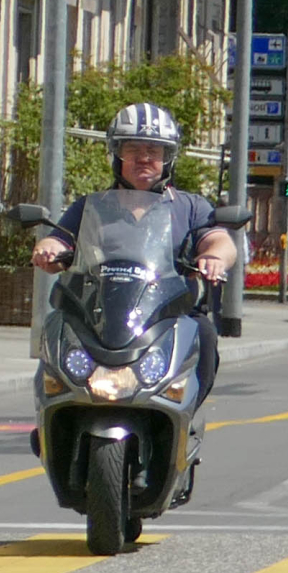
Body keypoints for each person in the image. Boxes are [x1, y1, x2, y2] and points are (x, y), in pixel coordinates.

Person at [32, 103, 239, 391]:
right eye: (132, 149)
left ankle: (184, 409)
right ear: (116, 155)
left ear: (168, 158)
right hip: (98, 314)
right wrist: (48, 249)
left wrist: (214, 257)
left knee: (203, 332)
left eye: (154, 151)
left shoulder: (190, 206)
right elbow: (59, 239)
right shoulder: (92, 205)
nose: (144, 158)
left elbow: (219, 241)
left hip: (168, 313)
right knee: (57, 329)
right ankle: (51, 419)